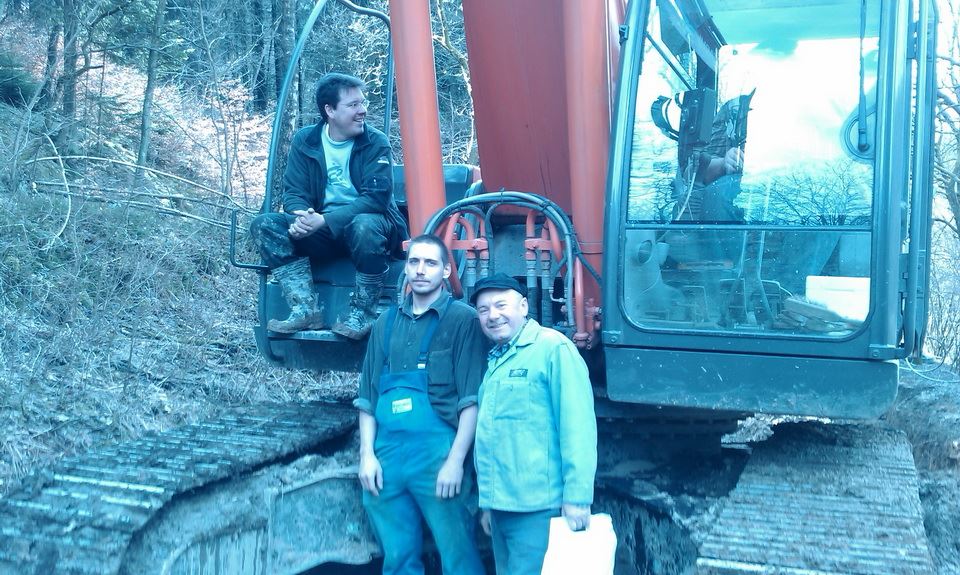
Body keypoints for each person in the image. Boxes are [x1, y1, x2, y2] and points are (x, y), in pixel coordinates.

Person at [354, 234, 487, 575]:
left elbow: (471, 401)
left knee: (458, 556)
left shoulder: (463, 320)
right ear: (406, 268)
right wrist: (367, 456)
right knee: (398, 559)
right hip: (386, 459)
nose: (420, 270)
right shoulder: (385, 323)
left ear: (446, 271)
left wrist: (455, 462)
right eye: (414, 262)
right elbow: (368, 398)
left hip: (437, 458)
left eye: (430, 263)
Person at [250, 72, 407, 339]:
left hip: (373, 229)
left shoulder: (376, 142)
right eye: (353, 105)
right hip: (324, 231)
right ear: (330, 110)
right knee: (264, 225)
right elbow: (294, 192)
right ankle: (305, 308)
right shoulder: (306, 141)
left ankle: (364, 312)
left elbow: (376, 199)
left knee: (364, 224)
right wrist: (301, 218)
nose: (362, 110)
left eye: (362, 102)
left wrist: (324, 220)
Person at [471, 273, 598, 574]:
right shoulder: (497, 361)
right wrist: (488, 504)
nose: (493, 315)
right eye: (484, 310)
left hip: (539, 509)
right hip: (502, 508)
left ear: (524, 306)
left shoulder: (552, 349)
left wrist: (578, 497)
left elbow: (577, 426)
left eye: (501, 305)